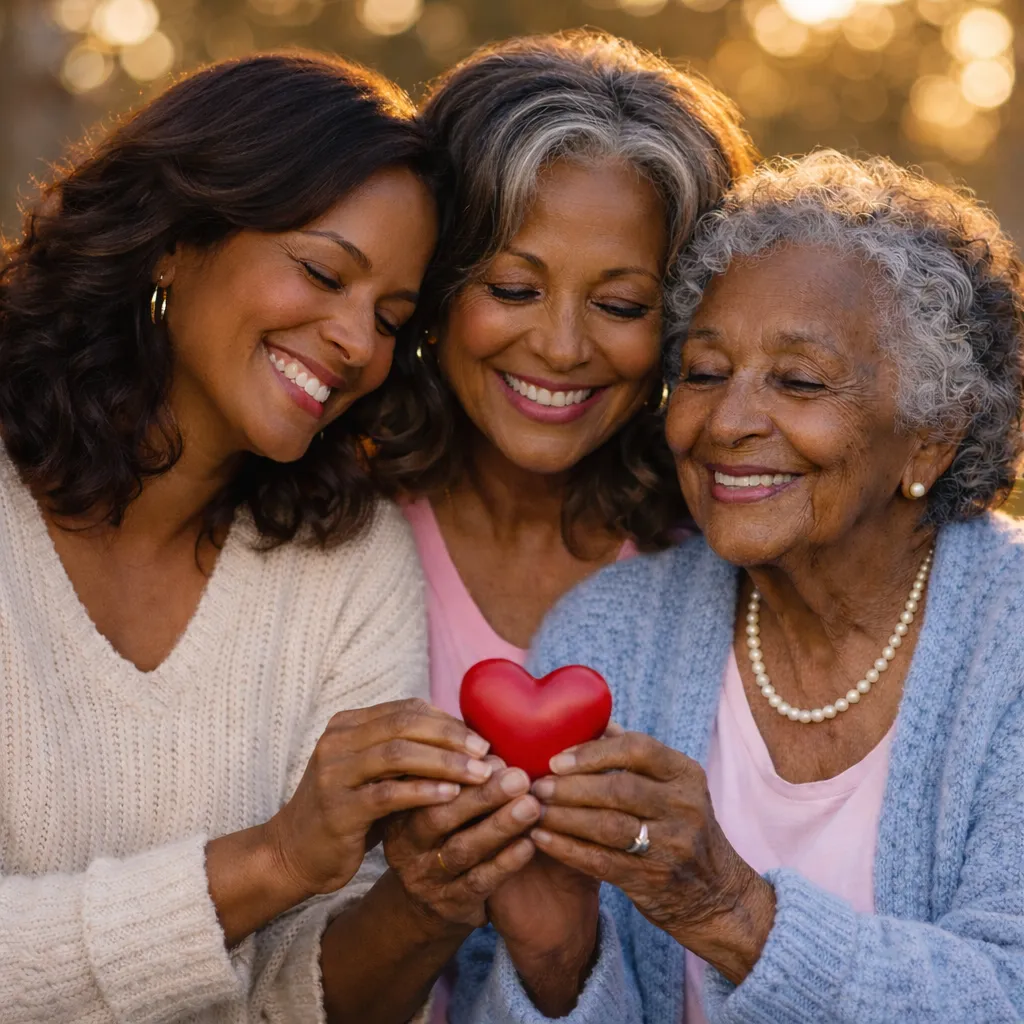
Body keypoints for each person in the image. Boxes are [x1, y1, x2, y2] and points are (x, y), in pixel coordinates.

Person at [0, 53, 537, 1024]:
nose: (357, 344)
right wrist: (273, 859)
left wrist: (426, 900)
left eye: (392, 320)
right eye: (323, 273)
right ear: (174, 238)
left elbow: (301, 997)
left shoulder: (349, 559)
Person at [450, 151, 1024, 1022]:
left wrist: (729, 911)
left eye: (799, 381)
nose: (726, 422)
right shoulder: (606, 636)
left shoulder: (1008, 638)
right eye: (706, 373)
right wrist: (558, 957)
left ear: (933, 437)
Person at [362, 31, 756, 1019]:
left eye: (620, 303)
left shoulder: (722, 561)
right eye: (513, 289)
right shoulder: (332, 527)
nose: (563, 345)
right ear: (436, 286)